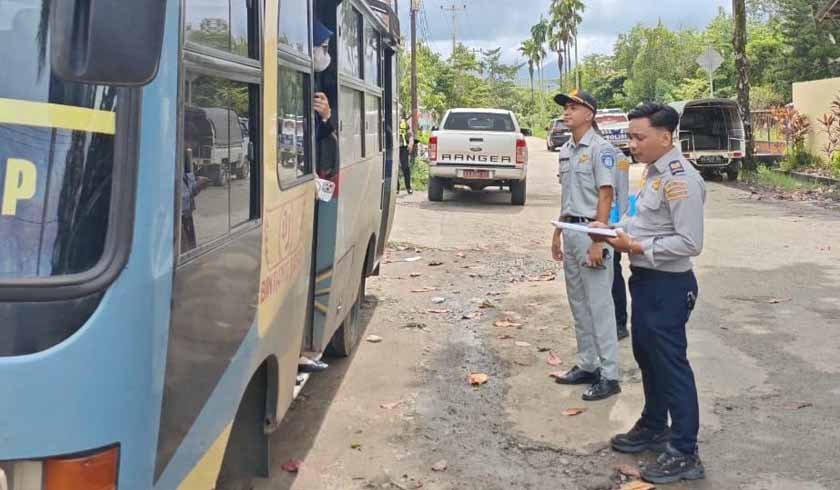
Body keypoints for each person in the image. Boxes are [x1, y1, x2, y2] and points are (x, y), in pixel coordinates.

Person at [590, 102, 706, 484]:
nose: (632, 144)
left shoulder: (680, 179)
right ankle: (655, 425)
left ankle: (685, 451)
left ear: (665, 136)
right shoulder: (654, 175)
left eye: (639, 137)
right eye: (630, 136)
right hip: (646, 283)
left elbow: (689, 243)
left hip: (668, 286)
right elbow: (644, 222)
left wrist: (639, 249)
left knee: (671, 365)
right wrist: (610, 229)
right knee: (648, 357)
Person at [551, 90, 621, 401]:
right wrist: (557, 230)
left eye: (573, 108)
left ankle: (610, 374)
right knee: (578, 303)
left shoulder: (601, 149)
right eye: (565, 108)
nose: (567, 113)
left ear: (589, 115)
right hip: (571, 229)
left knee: (600, 306)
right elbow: (568, 195)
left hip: (593, 234)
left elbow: (606, 196)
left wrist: (598, 240)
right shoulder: (567, 149)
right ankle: (588, 364)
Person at [611, 152, 631, 340]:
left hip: (610, 226)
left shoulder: (618, 159)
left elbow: (623, 197)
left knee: (612, 274)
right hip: (587, 224)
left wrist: (621, 228)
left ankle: (619, 322)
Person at [398, 116, 414, 194]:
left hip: (403, 147)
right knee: (394, 168)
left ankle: (408, 187)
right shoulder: (388, 121)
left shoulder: (404, 123)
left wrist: (410, 144)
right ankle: (396, 188)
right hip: (392, 147)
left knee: (405, 167)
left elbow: (410, 135)